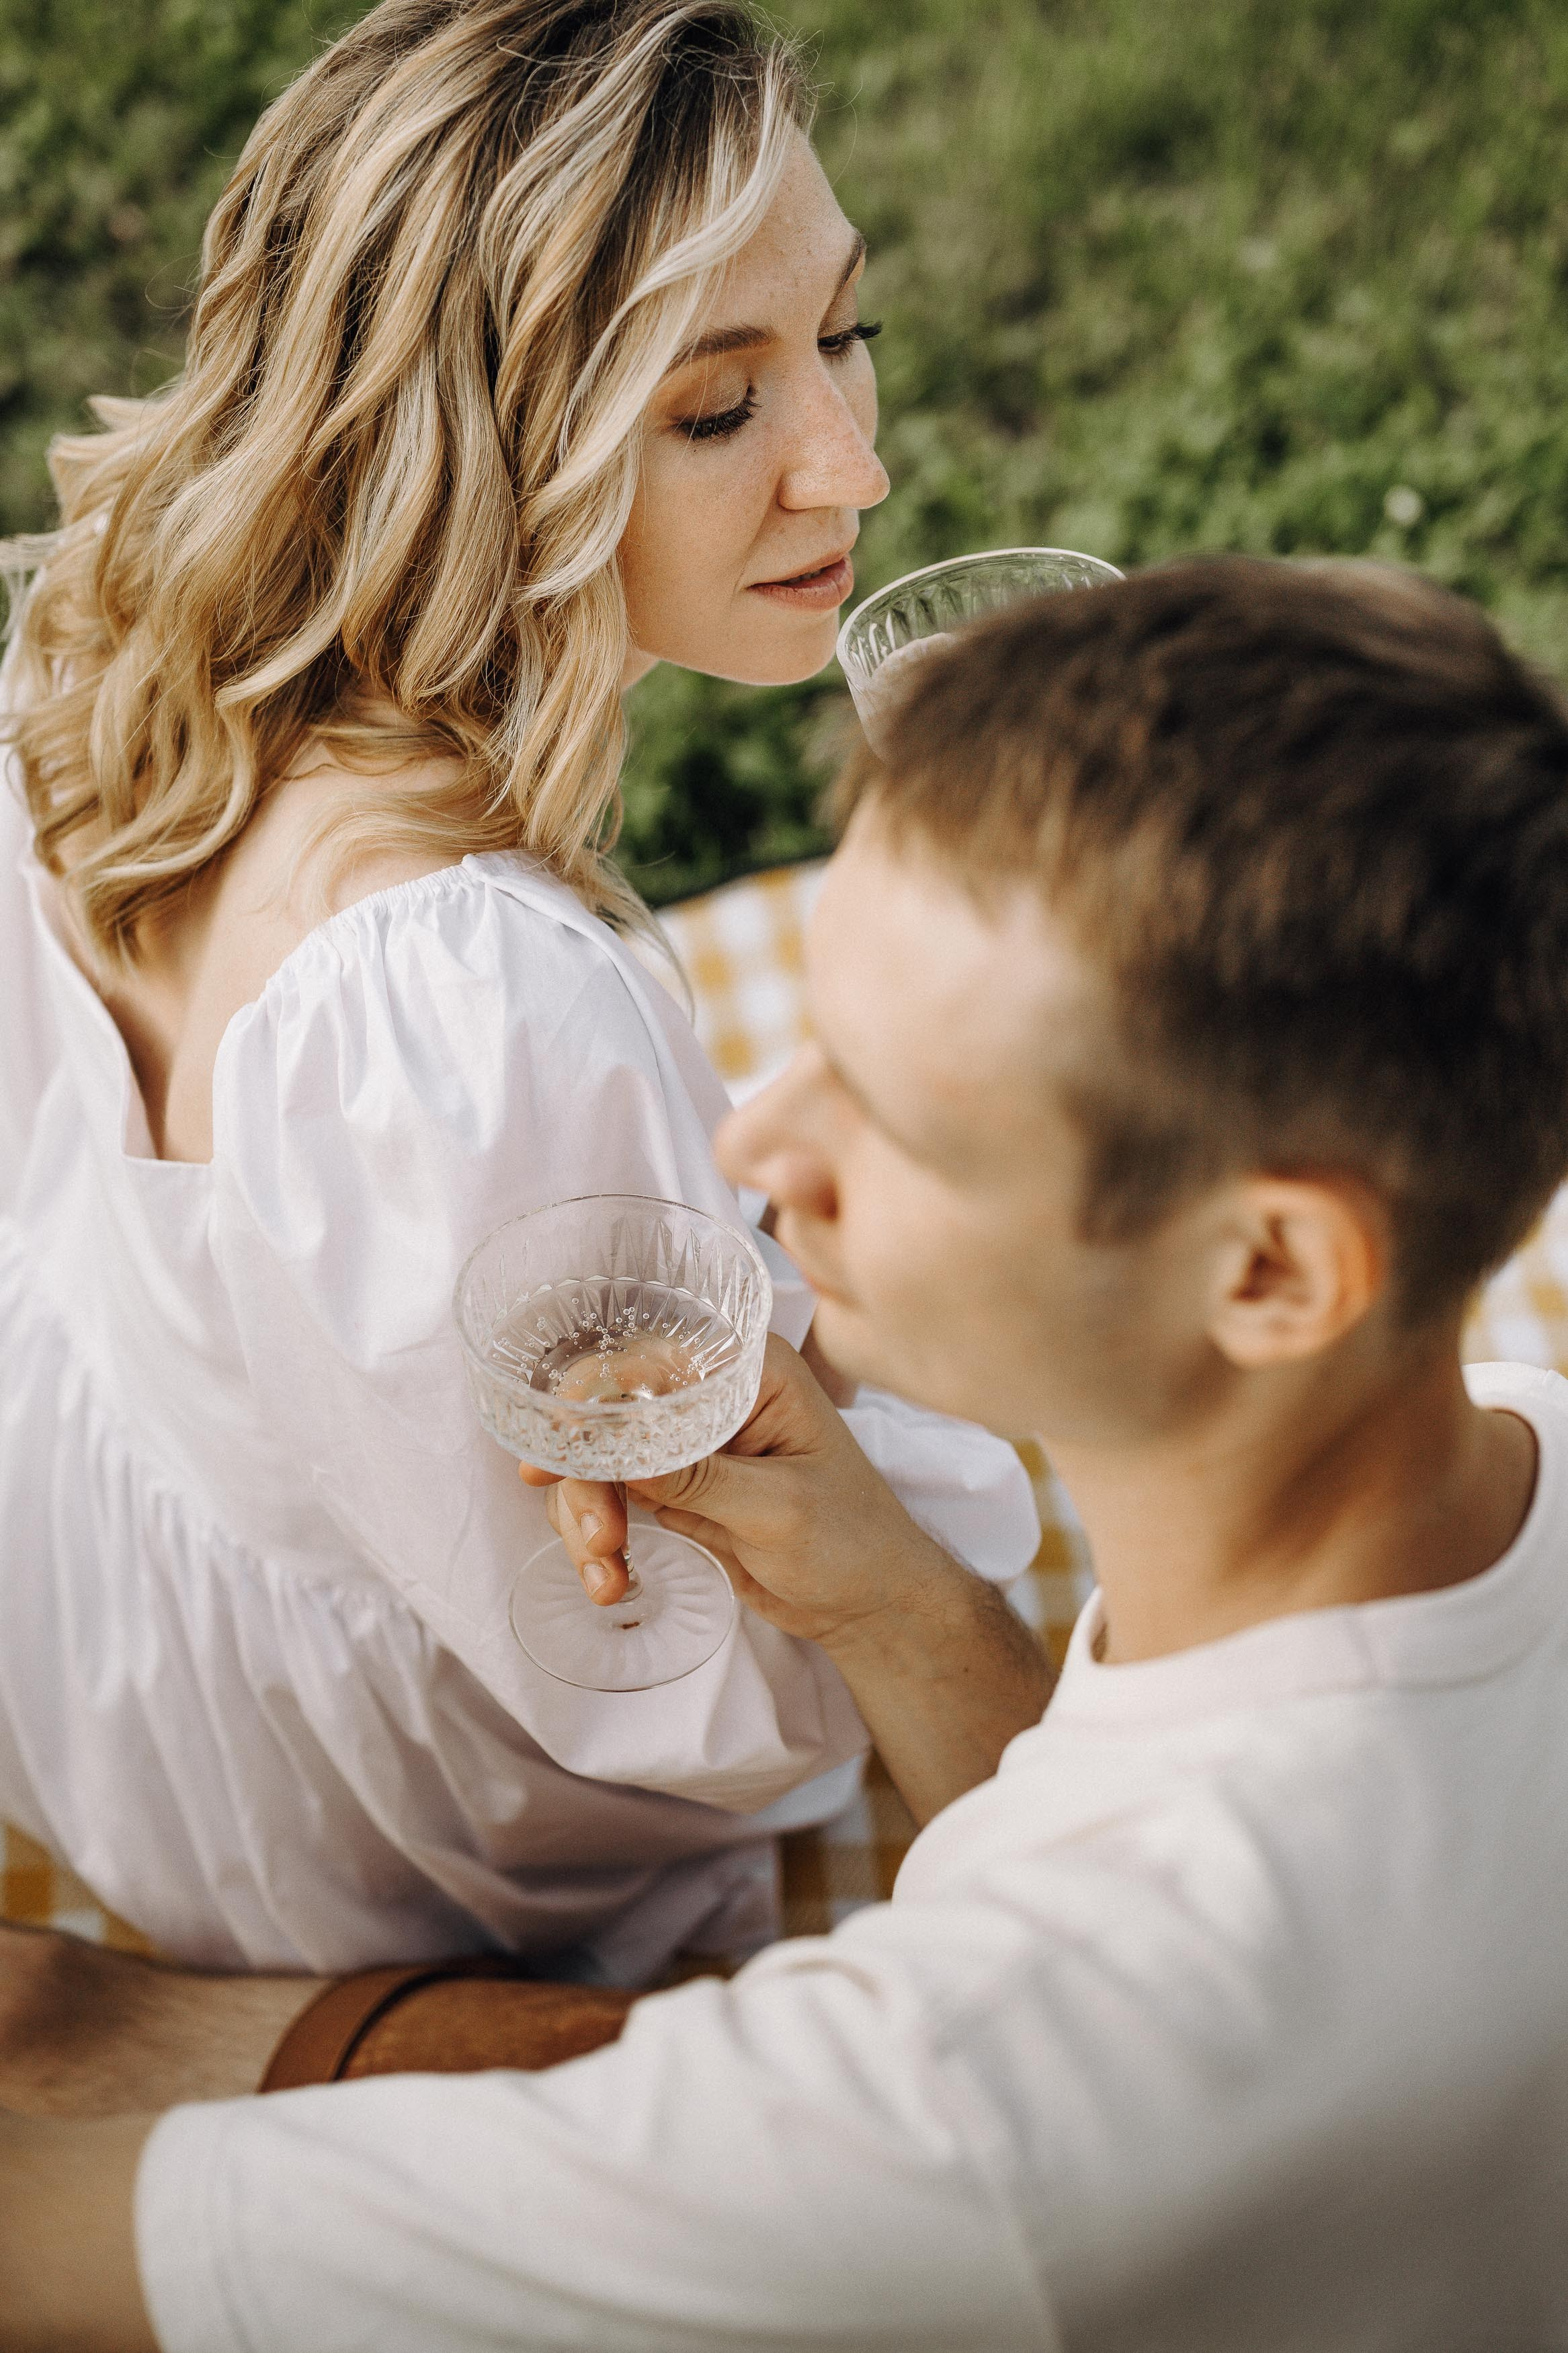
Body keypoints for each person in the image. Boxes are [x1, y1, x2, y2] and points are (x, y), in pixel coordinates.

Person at [7, 552, 1568, 2350]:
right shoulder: (1515, 1449)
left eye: (888, 1113)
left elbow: (75, 2248)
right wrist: (897, 1600)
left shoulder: (944, 2112)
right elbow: (1139, 1843)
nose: (761, 1131)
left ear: (1274, 1267)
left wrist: (89, 2037)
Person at [0, 0, 1039, 1987]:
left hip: (112, 1675)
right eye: (717, 411)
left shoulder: (116, 657)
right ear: (474, 455)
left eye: (844, 335)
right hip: (403, 1857)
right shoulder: (461, 997)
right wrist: (918, 1582)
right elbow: (681, 1682)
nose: (859, 467)